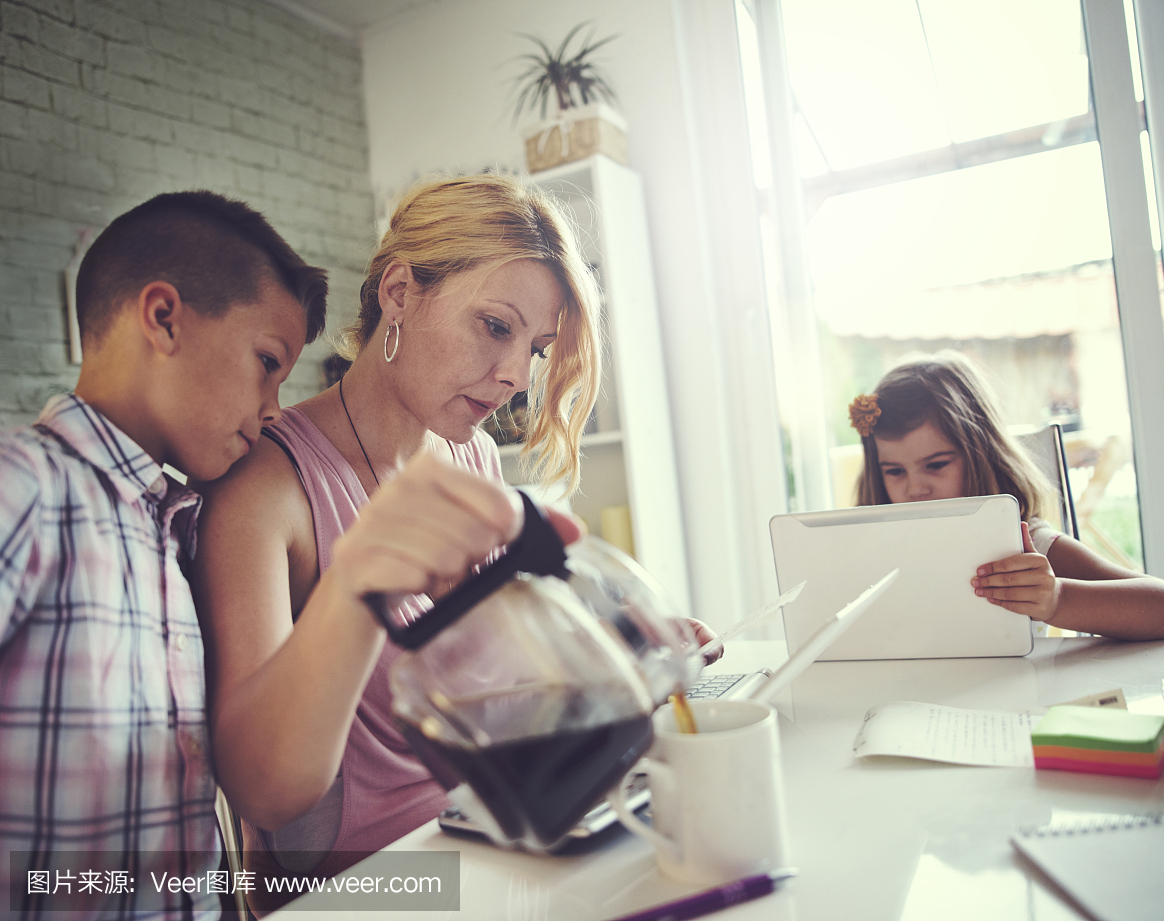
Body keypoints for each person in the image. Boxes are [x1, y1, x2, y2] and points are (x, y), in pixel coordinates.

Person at [195, 173, 697, 913]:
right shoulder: (264, 494)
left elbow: (490, 690)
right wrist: (360, 584)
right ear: (397, 293)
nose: (515, 377)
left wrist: (616, 652)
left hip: (487, 843)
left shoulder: (472, 460)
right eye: (496, 326)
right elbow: (268, 793)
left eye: (537, 347)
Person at [0, 190, 328, 919]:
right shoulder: (24, 487)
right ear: (163, 318)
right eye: (266, 362)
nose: (275, 406)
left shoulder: (170, 526)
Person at [849, 351, 1164, 641]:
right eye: (894, 471)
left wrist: (1057, 598)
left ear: (981, 455)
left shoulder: (1025, 543)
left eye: (936, 464)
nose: (915, 489)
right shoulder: (868, 549)